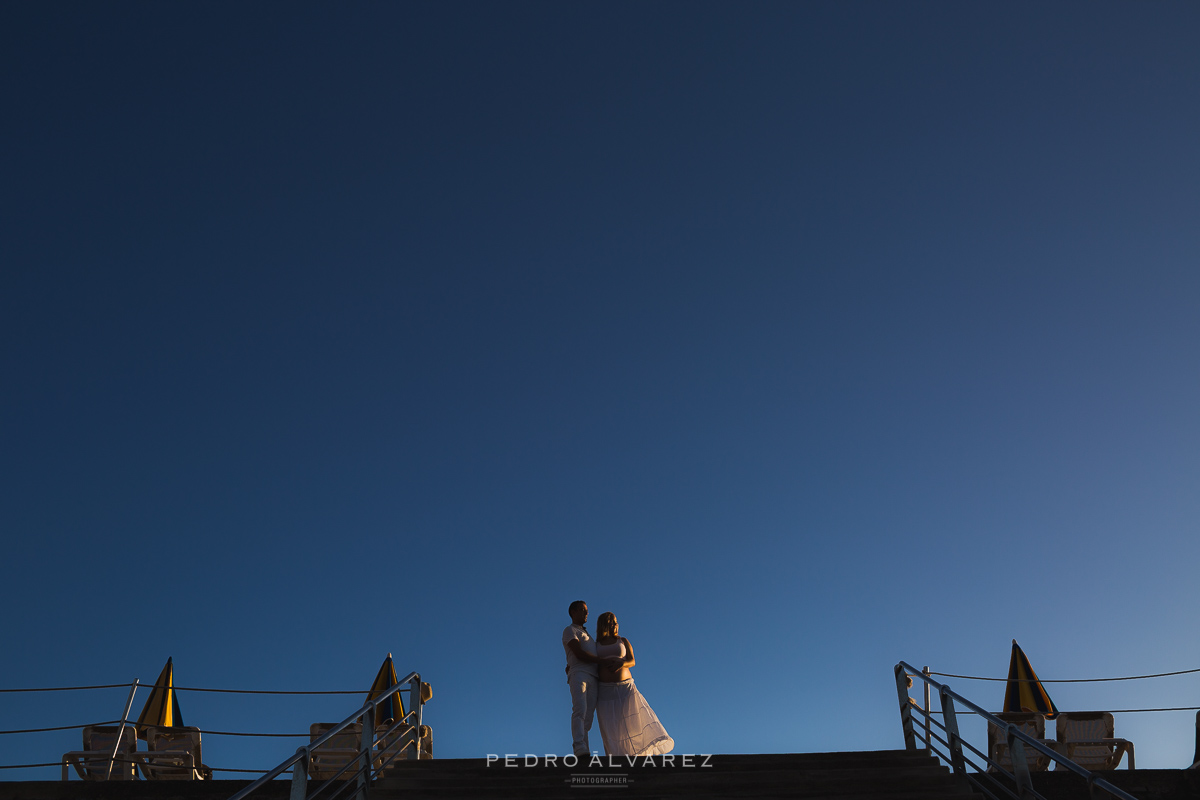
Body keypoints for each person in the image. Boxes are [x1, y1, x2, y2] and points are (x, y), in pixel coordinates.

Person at [594, 611, 673, 756]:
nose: (616, 624)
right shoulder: (596, 644)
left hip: (625, 688)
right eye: (612, 621)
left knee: (631, 723)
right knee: (612, 726)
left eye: (616, 621)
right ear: (604, 624)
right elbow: (588, 661)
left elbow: (632, 661)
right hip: (605, 691)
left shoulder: (623, 641)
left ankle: (635, 757)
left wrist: (620, 663)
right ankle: (617, 758)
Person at [562, 600, 607, 757]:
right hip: (579, 673)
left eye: (586, 610)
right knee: (580, 708)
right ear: (573, 612)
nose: (586, 613)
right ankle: (578, 746)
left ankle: (584, 748)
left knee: (588, 717)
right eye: (582, 610)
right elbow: (578, 653)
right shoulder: (569, 630)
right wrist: (601, 661)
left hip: (593, 676)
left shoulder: (587, 635)